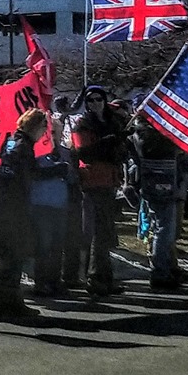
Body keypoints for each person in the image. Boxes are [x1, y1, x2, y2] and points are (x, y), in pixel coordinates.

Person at [0, 110, 71, 313]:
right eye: (44, 128)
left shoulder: (11, 141)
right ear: (36, 127)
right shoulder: (22, 147)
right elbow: (29, 174)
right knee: (14, 255)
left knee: (8, 255)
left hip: (4, 204)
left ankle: (4, 300)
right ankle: (9, 302)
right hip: (14, 206)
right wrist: (56, 169)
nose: (45, 132)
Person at [69, 86, 127, 298]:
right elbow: (84, 153)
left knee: (106, 231)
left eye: (98, 99)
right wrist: (106, 143)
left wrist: (118, 142)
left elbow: (120, 150)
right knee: (98, 232)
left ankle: (104, 276)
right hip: (92, 180)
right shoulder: (83, 124)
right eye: (90, 100)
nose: (94, 104)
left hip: (109, 179)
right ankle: (95, 277)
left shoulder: (111, 121)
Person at [131, 120, 188, 288]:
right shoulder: (145, 136)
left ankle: (168, 267)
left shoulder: (149, 134)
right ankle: (160, 271)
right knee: (164, 229)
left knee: (165, 227)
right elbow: (165, 149)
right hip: (159, 185)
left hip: (163, 183)